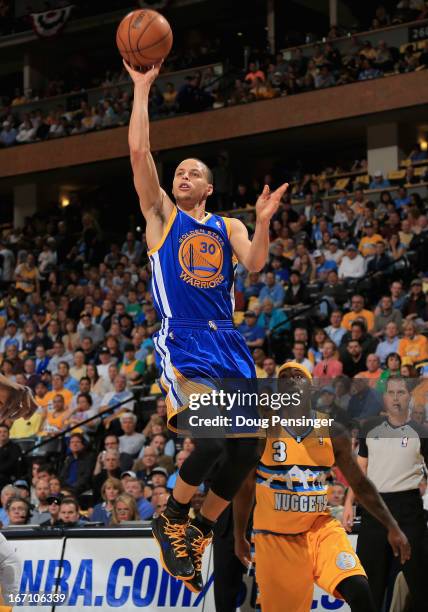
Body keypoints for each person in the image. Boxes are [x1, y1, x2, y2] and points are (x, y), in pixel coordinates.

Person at [125, 60, 289, 592]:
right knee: (214, 439)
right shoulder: (161, 217)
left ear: (209, 188)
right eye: (179, 174)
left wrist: (263, 223)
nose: (182, 177)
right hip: (186, 338)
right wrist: (142, 89)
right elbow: (139, 154)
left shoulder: (228, 225)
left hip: (229, 339)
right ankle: (170, 516)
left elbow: (257, 264)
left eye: (193, 173)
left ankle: (199, 525)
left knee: (247, 446)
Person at [234, 363, 410, 612]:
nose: (291, 380)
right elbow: (245, 486)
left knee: (359, 588)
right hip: (275, 539)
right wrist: (239, 534)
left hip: (320, 529)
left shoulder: (332, 432)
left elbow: (359, 483)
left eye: (298, 376)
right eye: (284, 378)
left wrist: (392, 526)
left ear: (310, 386)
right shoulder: (263, 430)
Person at [342, 377, 428, 611]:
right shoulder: (369, 428)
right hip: (374, 510)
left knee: (420, 586)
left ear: (409, 397)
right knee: (369, 586)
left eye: (401, 392)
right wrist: (349, 503)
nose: (396, 397)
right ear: (385, 398)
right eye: (391, 392)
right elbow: (360, 471)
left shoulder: (421, 433)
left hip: (408, 510)